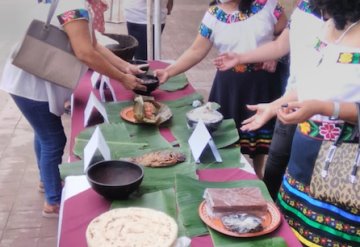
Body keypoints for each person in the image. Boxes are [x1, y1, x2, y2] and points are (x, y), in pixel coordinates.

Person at [0, 0, 146, 218]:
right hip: (31, 84)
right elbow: (85, 53)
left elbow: (94, 46)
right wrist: (122, 78)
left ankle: (45, 180)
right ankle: (54, 202)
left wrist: (126, 67)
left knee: (43, 134)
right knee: (53, 139)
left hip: (27, 78)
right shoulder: (72, 3)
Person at [238, 0, 360, 245]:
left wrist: (324, 108)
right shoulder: (327, 28)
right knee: (293, 235)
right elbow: (309, 83)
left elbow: (326, 100)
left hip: (342, 164)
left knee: (328, 237)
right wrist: (274, 106)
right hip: (302, 156)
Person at [155, 0, 288, 177]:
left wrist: (275, 56)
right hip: (229, 85)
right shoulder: (213, 15)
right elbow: (196, 51)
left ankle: (258, 173)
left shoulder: (269, 6)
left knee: (260, 136)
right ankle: (232, 175)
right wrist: (168, 72)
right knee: (228, 136)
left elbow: (285, 36)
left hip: (262, 82)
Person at [213, 0, 324, 199]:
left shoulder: (337, 16)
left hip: (320, 116)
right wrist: (240, 58)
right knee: (275, 164)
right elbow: (281, 45)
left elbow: (326, 75)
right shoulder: (303, 7)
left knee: (304, 177)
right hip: (291, 99)